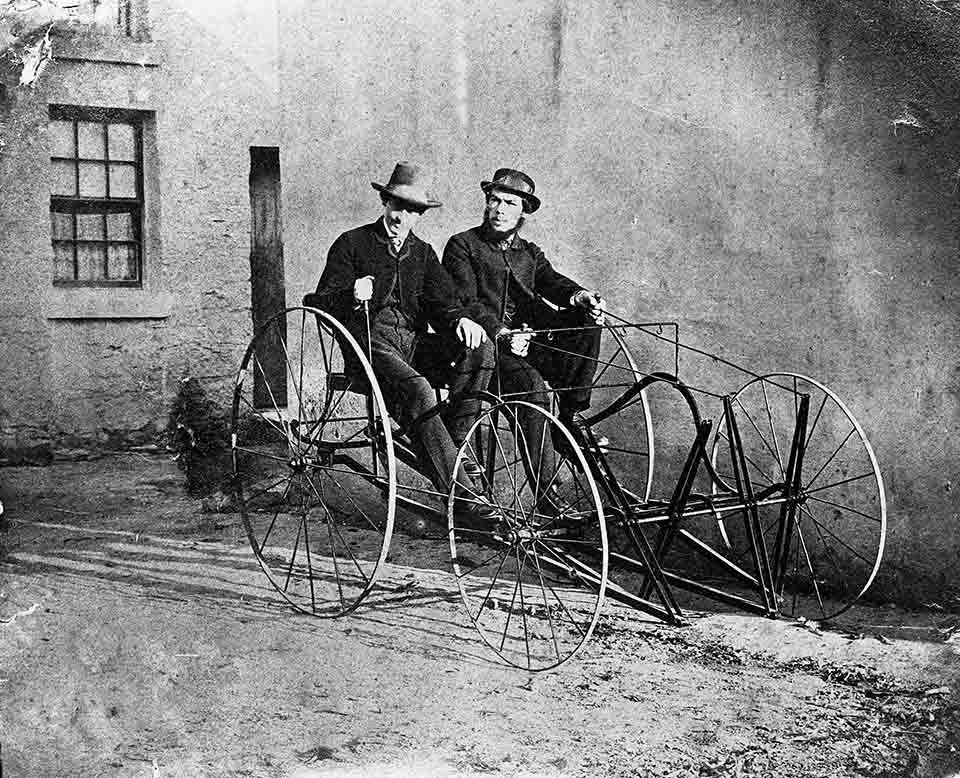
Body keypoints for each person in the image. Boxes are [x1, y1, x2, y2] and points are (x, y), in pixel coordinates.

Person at [305, 162, 493, 511]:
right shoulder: (352, 243)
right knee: (419, 388)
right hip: (369, 344)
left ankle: (455, 445)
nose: (400, 217)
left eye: (410, 211)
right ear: (384, 202)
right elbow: (317, 302)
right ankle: (467, 499)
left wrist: (460, 320)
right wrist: (350, 293)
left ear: (419, 215)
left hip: (412, 343)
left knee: (481, 348)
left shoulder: (422, 253)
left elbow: (444, 303)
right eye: (396, 206)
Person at [442, 167, 606, 498]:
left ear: (523, 211)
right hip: (482, 348)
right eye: (494, 201)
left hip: (526, 344)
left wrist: (580, 296)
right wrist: (501, 333)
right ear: (487, 204)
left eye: (510, 203)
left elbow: (553, 283)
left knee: (587, 321)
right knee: (532, 388)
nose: (500, 210)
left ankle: (571, 418)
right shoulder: (463, 246)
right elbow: (467, 303)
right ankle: (548, 495)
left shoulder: (529, 253)